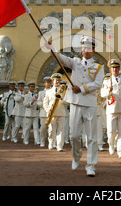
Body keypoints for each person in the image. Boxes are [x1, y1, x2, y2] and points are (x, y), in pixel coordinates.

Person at [46, 36, 104, 177]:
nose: (85, 51)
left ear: (93, 50)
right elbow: (61, 58)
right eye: (83, 48)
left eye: (88, 48)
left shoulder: (98, 67)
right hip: (76, 102)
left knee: (91, 137)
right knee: (74, 136)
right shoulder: (75, 62)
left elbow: (98, 83)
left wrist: (83, 88)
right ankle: (77, 156)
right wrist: (51, 48)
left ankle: (91, 165)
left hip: (89, 103)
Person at [100, 59, 121, 158]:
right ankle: (111, 144)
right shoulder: (106, 81)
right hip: (111, 108)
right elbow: (102, 94)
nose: (115, 69)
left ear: (119, 69)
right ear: (110, 70)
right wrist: (108, 91)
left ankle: (120, 150)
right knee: (111, 131)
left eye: (116, 67)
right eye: (113, 68)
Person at [44, 74, 68, 151]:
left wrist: (61, 98)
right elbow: (45, 103)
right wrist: (47, 109)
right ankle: (51, 143)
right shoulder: (48, 91)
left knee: (61, 130)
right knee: (51, 130)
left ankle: (59, 145)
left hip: (61, 112)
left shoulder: (63, 90)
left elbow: (66, 101)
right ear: (52, 81)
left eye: (59, 80)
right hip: (52, 113)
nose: (57, 82)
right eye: (56, 80)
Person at [37, 76, 52, 148]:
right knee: (43, 128)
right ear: (44, 84)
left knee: (52, 129)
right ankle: (42, 141)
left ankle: (52, 142)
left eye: (49, 83)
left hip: (51, 112)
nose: (48, 84)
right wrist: (44, 106)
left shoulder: (53, 91)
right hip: (43, 112)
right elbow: (38, 102)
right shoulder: (41, 93)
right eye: (47, 83)